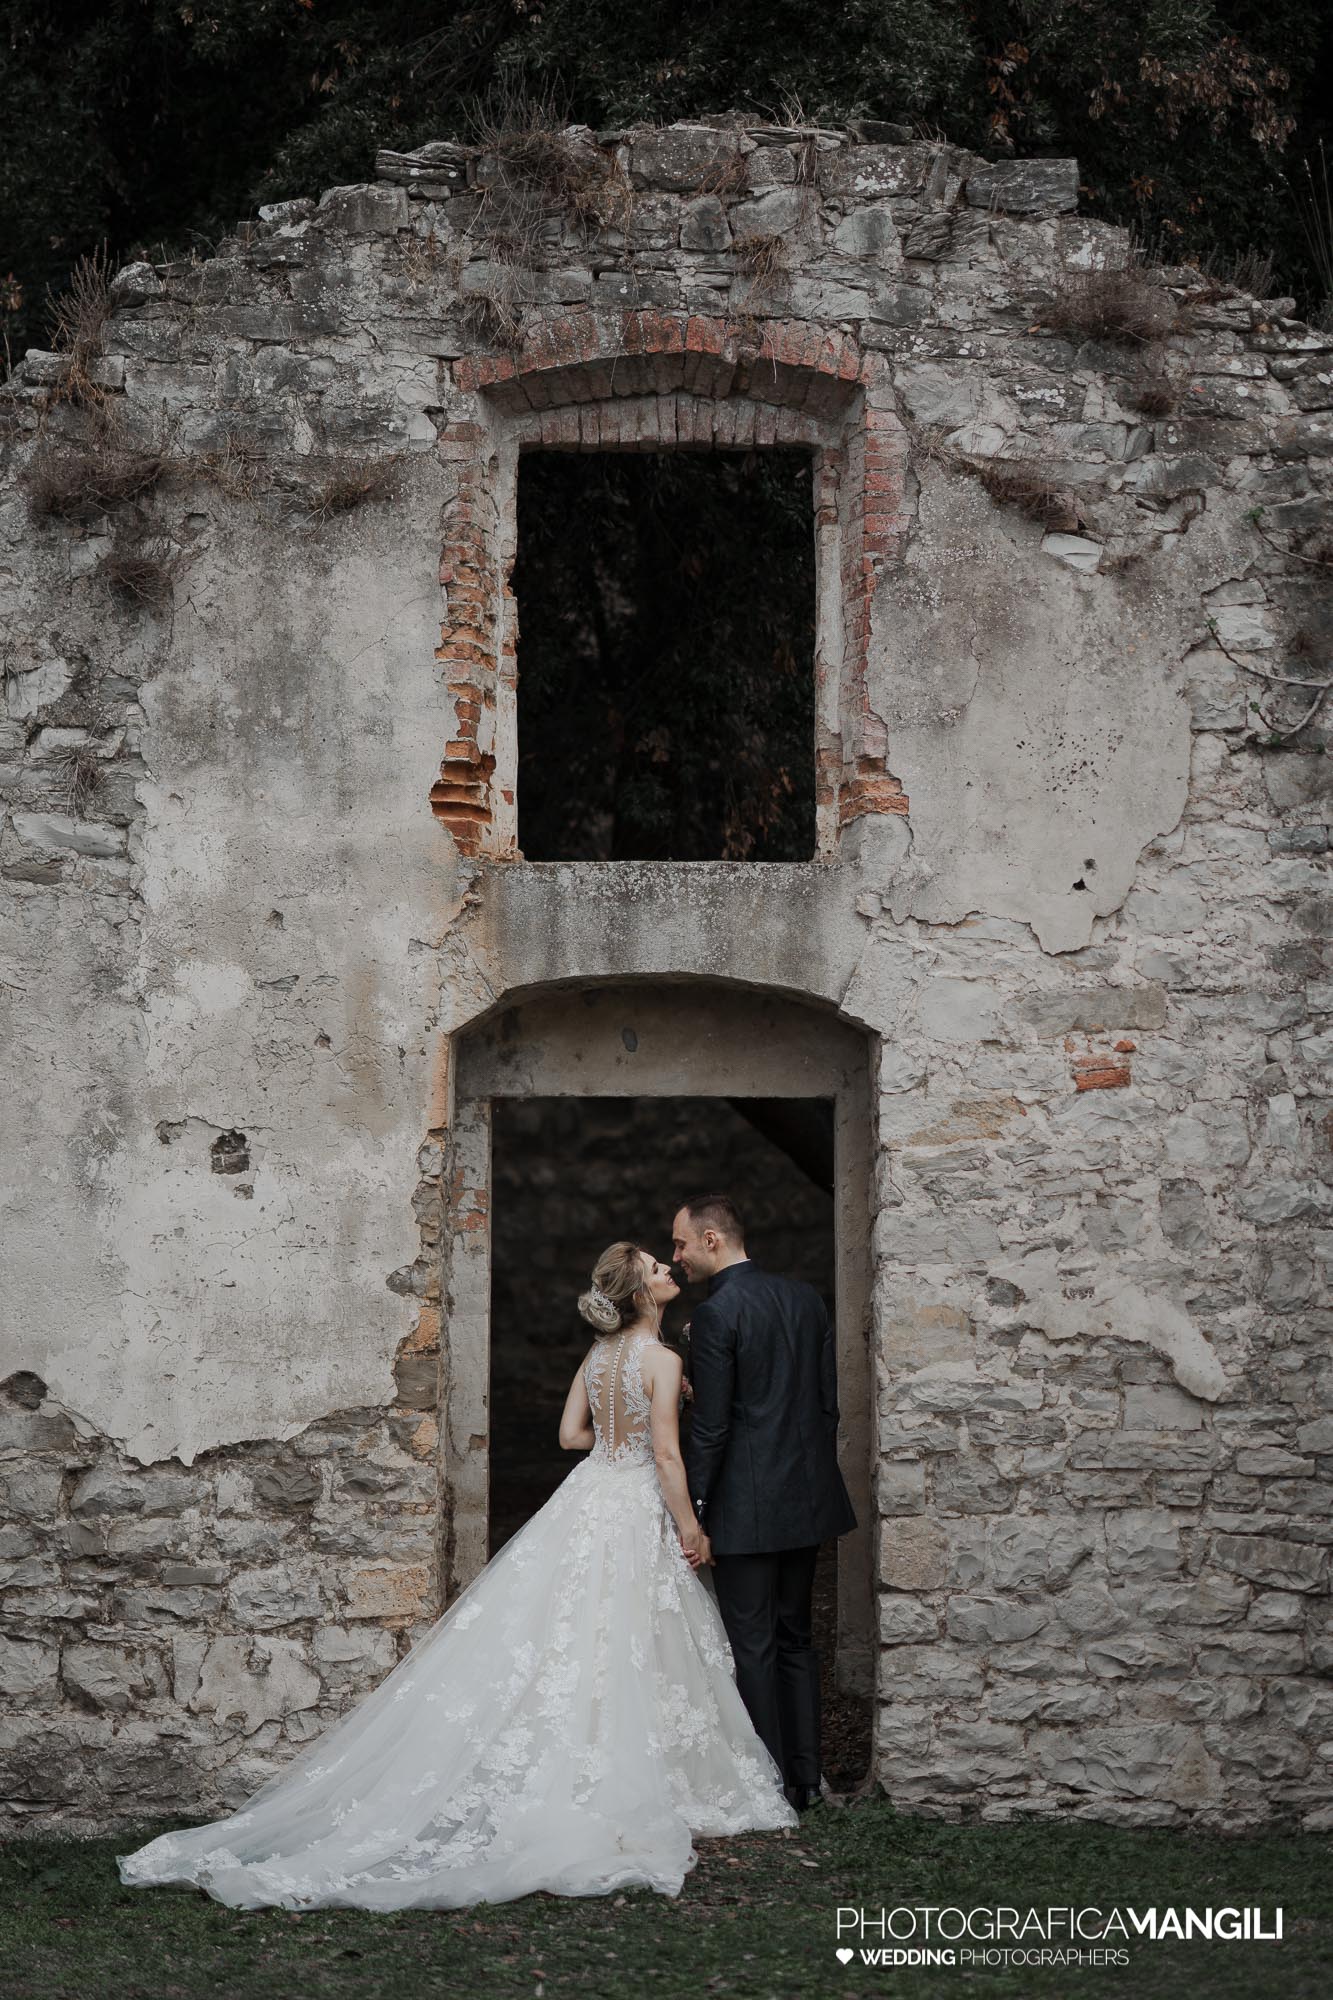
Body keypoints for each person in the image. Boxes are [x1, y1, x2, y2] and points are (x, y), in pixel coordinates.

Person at [117, 1242, 797, 1911]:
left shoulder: (598, 1356)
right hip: (634, 1499)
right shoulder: (661, 1358)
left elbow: (568, 1437)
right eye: (655, 1266)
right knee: (629, 1635)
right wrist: (687, 1525)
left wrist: (619, 1441)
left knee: (576, 1634)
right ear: (642, 1295)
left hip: (591, 1494)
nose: (666, 1268)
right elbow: (671, 1458)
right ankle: (652, 1777)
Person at [672, 1193, 858, 1814]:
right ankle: (807, 1779)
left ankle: (765, 1782)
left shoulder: (718, 1313)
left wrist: (693, 1506)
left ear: (713, 1241)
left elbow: (713, 1427)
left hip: (745, 1507)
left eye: (681, 1244)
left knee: (752, 1644)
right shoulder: (806, 1299)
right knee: (796, 1637)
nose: (677, 1258)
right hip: (805, 1496)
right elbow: (827, 1405)